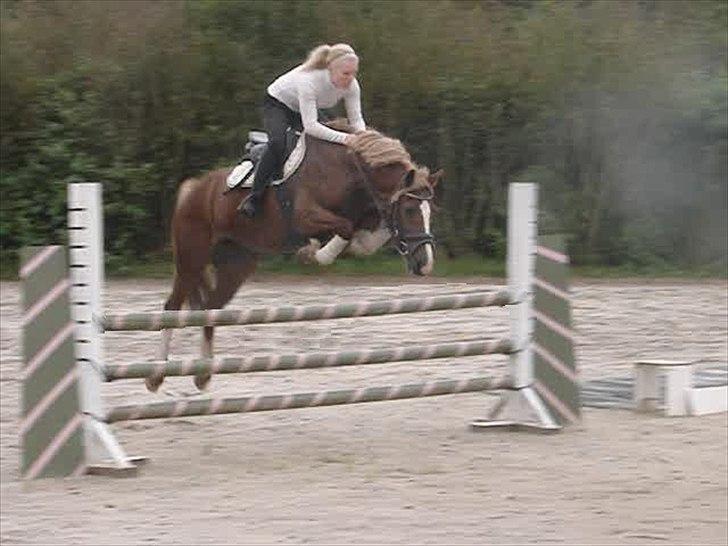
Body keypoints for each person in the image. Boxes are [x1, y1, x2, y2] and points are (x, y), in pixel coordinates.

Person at [240, 43, 367, 217]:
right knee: (278, 143)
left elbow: (356, 119)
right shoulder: (309, 80)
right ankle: (254, 198)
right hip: (278, 104)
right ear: (330, 69)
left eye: (354, 73)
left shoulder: (352, 85)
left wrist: (362, 138)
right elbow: (311, 126)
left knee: (328, 144)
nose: (350, 78)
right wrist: (346, 139)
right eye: (346, 74)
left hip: (302, 108)